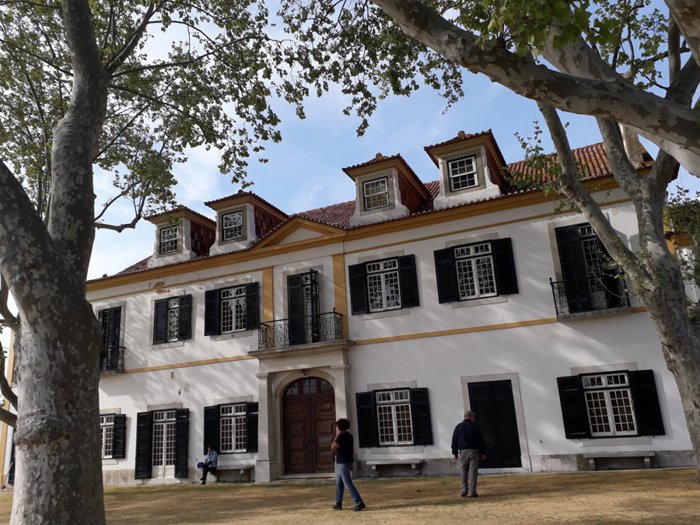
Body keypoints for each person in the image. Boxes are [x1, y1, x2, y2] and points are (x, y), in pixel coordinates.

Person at [330, 418, 366, 511]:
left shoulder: (341, 436)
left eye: (337, 426)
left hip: (343, 462)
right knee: (339, 483)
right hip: (347, 461)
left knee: (347, 483)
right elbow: (351, 449)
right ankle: (338, 503)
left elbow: (333, 447)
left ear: (340, 427)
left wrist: (336, 436)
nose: (336, 427)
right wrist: (352, 461)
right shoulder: (349, 435)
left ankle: (359, 502)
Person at [451, 410, 486, 498]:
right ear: (470, 417)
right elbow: (480, 441)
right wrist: (482, 452)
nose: (474, 418)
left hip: (462, 451)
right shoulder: (474, 427)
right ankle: (473, 491)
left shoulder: (458, 427)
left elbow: (454, 440)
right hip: (474, 451)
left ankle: (464, 490)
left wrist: (455, 452)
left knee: (464, 471)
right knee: (473, 471)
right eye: (473, 417)